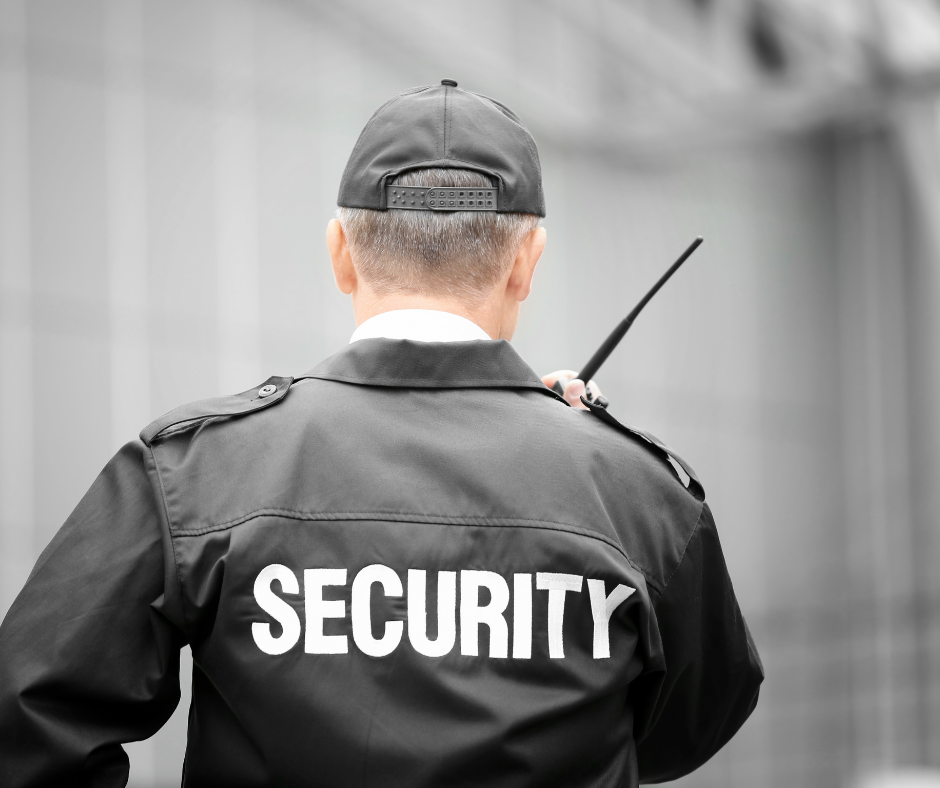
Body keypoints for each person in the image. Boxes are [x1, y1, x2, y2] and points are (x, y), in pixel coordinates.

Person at [0, 79, 762, 787]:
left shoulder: (193, 474)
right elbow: (684, 729)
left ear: (341, 254)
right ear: (526, 264)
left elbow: (29, 721)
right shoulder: (639, 499)